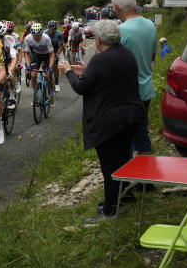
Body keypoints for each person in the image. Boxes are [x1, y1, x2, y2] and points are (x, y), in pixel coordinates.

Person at [58, 19, 145, 222]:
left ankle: (110, 210)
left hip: (110, 120)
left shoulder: (100, 59)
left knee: (109, 167)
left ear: (97, 40)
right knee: (123, 158)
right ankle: (126, 197)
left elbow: (81, 88)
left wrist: (68, 72)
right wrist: (84, 71)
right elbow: (105, 77)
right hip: (132, 115)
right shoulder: (126, 53)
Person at [112, 0, 158, 155]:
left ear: (116, 8)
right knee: (141, 133)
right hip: (145, 90)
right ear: (136, 4)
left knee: (125, 139)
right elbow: (152, 57)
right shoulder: (150, 25)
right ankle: (145, 177)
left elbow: (112, 64)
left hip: (126, 94)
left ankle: (131, 177)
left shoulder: (120, 31)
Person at [45, 20, 64, 92]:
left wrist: (57, 54)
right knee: (44, 65)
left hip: (55, 49)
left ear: (56, 29)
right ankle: (46, 78)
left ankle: (56, 83)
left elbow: (61, 46)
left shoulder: (59, 34)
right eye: (50, 29)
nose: (51, 30)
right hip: (46, 50)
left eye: (53, 29)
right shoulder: (45, 33)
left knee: (55, 66)